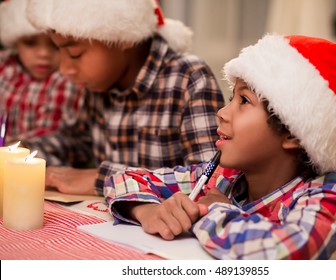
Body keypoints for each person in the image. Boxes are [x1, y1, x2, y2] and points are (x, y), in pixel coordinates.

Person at [103, 34, 336, 259]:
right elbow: (126, 178)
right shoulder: (223, 179)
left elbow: (291, 253)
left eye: (243, 101)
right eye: (232, 98)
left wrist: (214, 211)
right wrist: (147, 211)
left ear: (293, 133)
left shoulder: (335, 196)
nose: (222, 112)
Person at [24, 0, 225, 195]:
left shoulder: (188, 77)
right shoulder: (99, 82)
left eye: (74, 53)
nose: (64, 68)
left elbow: (210, 179)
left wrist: (102, 179)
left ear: (123, 36)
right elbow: (76, 143)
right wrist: (23, 151)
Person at [0, 0, 84, 144]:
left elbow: (55, 135)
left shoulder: (67, 80)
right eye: (30, 43)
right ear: (15, 43)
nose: (44, 53)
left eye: (55, 45)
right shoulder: (6, 66)